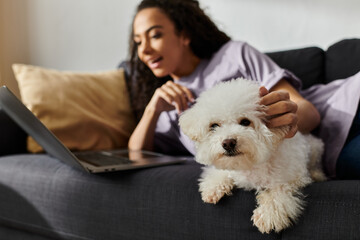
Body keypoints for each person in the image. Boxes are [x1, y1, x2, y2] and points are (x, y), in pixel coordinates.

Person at [126, 0, 360, 179]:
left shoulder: (235, 55)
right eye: (138, 41)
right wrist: (152, 110)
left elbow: (308, 111)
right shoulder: (168, 106)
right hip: (328, 156)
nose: (144, 50)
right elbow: (135, 157)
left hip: (342, 108)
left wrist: (282, 121)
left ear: (184, 35)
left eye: (155, 35)